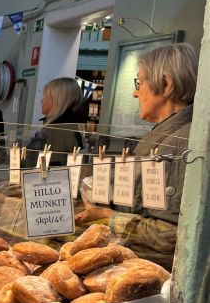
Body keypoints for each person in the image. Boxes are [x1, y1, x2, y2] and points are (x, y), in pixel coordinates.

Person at [75, 43, 197, 269]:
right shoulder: (163, 138)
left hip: (154, 274)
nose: (134, 92)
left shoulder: (179, 144)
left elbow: (170, 237)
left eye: (140, 82)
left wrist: (107, 217)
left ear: (166, 84)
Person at [28, 77, 84, 165]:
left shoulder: (61, 129)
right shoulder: (62, 125)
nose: (41, 100)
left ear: (57, 100)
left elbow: (50, 165)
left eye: (45, 96)